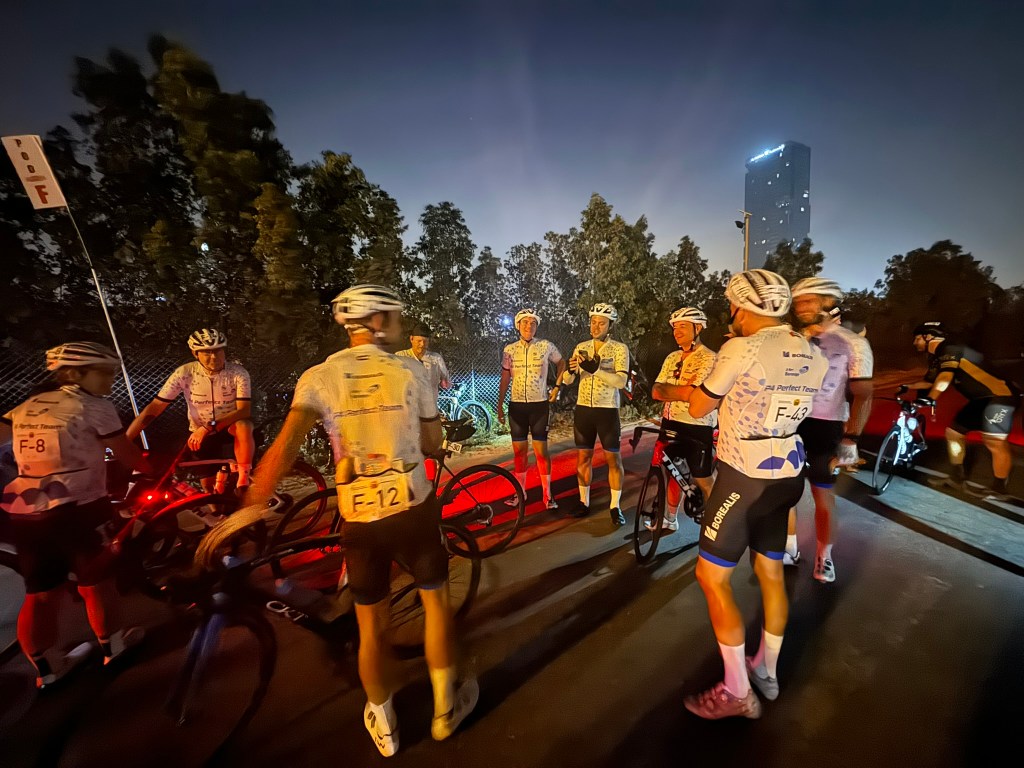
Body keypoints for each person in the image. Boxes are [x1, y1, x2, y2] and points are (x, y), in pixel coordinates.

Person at [239, 284, 477, 756]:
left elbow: (284, 448)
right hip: (413, 510)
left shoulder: (320, 376)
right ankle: (444, 711)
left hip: (360, 518)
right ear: (378, 321)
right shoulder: (411, 370)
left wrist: (247, 510)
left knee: (372, 628)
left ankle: (385, 724)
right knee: (435, 607)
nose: (401, 326)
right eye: (396, 317)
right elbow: (432, 443)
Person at [678, 270, 827, 719]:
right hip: (788, 474)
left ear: (743, 308)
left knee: (712, 577)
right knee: (770, 573)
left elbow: (699, 406)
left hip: (743, 475)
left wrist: (696, 384)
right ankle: (766, 670)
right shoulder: (812, 350)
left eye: (733, 306)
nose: (732, 314)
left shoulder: (741, 347)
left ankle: (736, 690)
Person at [0, 342, 152, 688]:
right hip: (80, 508)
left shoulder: (27, 406)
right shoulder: (94, 405)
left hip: (26, 514)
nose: (110, 380)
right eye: (104, 373)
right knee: (96, 583)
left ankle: (48, 670)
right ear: (73, 373)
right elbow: (126, 454)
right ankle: (114, 649)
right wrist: (152, 469)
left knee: (40, 592)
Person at [786, 277, 874, 584]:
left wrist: (851, 438)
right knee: (785, 491)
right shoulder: (793, 339)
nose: (801, 307)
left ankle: (825, 556)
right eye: (798, 301)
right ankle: (789, 547)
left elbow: (863, 394)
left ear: (828, 301)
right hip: (790, 422)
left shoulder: (853, 342)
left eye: (809, 300)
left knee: (822, 495)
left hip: (826, 426)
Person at [127, 328, 254, 492]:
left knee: (244, 425)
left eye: (218, 351)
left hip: (228, 429)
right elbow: (155, 407)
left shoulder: (238, 373)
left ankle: (243, 480)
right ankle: (215, 501)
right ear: (195, 354)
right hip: (199, 433)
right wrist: (126, 440)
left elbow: (243, 411)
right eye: (207, 352)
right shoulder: (185, 373)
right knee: (207, 486)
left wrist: (208, 427)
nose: (214, 357)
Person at [907, 321, 1021, 500]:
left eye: (917, 338)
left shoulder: (950, 349)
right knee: (954, 434)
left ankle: (1000, 489)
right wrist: (907, 386)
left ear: (929, 337)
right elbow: (929, 381)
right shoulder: (937, 357)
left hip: (1001, 396)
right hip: (980, 400)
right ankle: (957, 478)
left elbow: (945, 376)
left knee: (994, 441)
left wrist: (932, 398)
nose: (915, 343)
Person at [557, 303, 631, 526]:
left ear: (610, 326)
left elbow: (621, 381)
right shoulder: (581, 347)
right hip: (584, 410)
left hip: (607, 410)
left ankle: (615, 506)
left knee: (613, 460)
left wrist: (596, 370)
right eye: (593, 322)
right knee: (583, 458)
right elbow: (568, 380)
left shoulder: (619, 349)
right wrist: (570, 370)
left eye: (601, 323)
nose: (595, 326)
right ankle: (584, 502)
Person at [650, 306, 718, 531]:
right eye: (674, 327)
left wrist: (673, 391)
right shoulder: (672, 357)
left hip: (697, 425)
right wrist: (682, 392)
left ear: (698, 328)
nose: (676, 332)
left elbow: (694, 393)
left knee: (703, 478)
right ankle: (670, 519)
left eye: (682, 327)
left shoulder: (709, 358)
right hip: (670, 421)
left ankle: (714, 526)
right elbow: (656, 391)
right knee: (673, 473)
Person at [497, 309, 566, 509]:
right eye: (525, 323)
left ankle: (547, 495)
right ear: (518, 325)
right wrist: (500, 404)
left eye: (533, 323)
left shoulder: (545, 345)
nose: (529, 326)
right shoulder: (509, 349)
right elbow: (505, 377)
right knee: (519, 453)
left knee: (541, 452)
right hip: (517, 406)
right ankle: (520, 493)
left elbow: (562, 362)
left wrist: (557, 387)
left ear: (536, 327)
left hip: (539, 406)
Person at [396, 323, 451, 401]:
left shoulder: (436, 359)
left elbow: (446, 382)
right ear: (411, 339)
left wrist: (444, 382)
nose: (422, 344)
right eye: (419, 341)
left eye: (425, 341)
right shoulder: (400, 357)